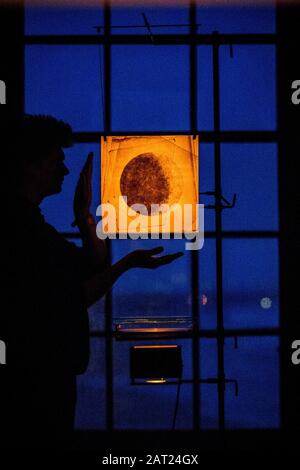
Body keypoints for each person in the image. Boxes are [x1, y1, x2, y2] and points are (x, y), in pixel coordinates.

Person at [0, 115, 183, 449]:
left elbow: (87, 273)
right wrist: (88, 220)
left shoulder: (27, 227)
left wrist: (86, 217)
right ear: (31, 164)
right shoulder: (23, 232)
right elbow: (83, 284)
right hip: (37, 383)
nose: (66, 171)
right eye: (57, 160)